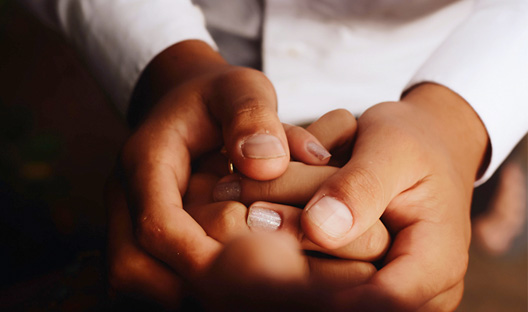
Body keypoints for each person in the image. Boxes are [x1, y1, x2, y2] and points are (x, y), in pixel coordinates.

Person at [19, 0, 528, 310]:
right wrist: (167, 64)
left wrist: (463, 118)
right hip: (187, 79)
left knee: (443, 207)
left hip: (433, 71)